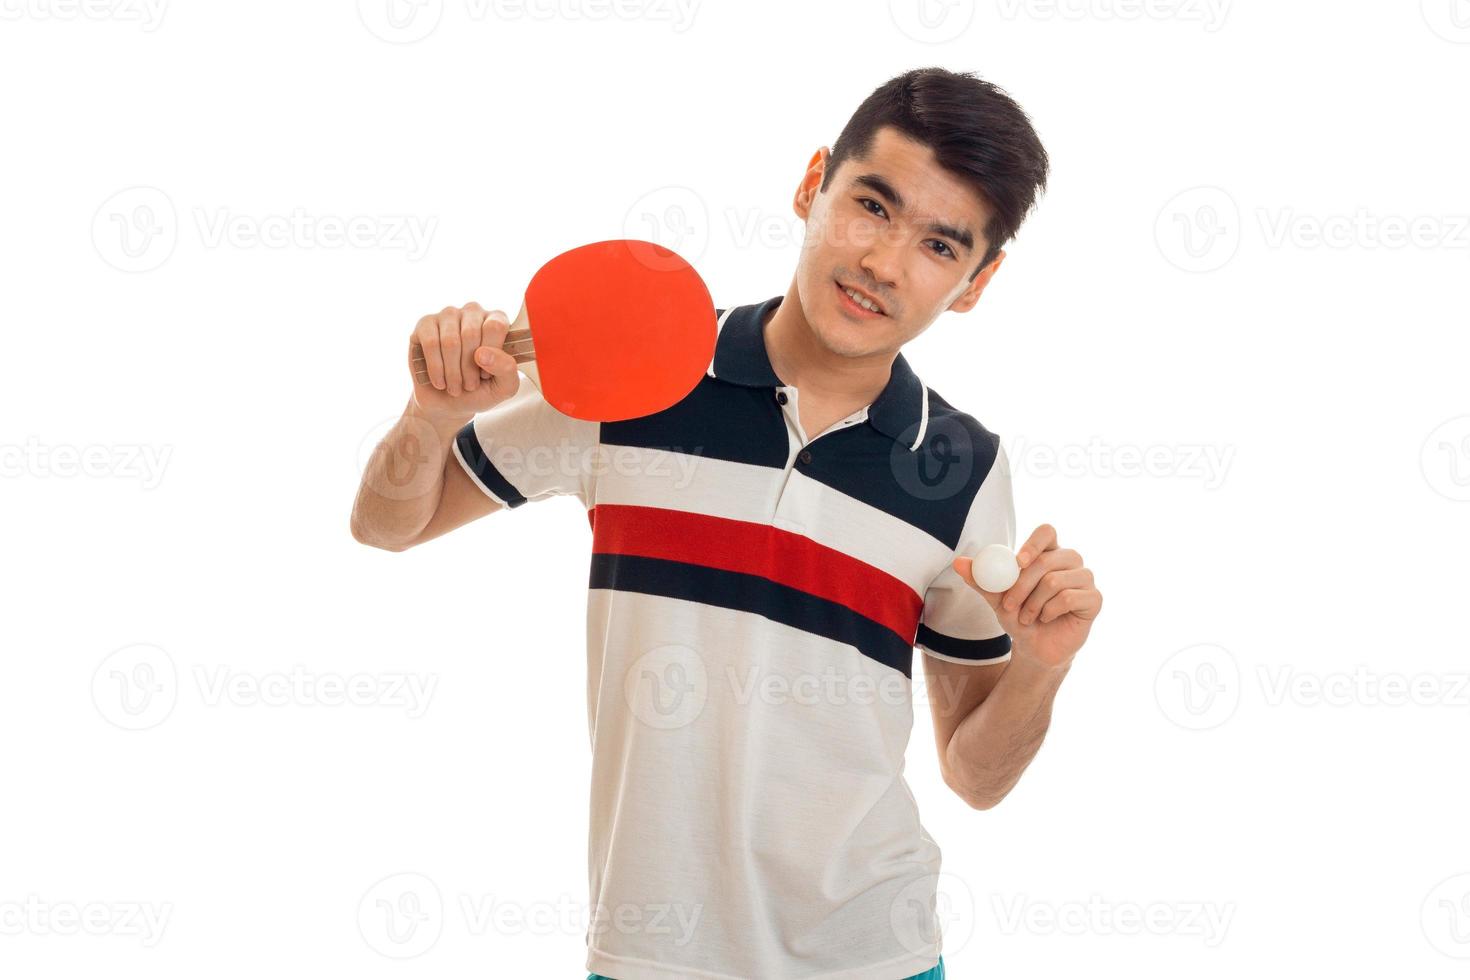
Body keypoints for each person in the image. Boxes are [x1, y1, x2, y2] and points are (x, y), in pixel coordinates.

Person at [351, 66, 1103, 980]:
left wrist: (1041, 666)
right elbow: (389, 525)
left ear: (977, 283)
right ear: (811, 185)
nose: (884, 262)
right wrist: (430, 415)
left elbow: (977, 778)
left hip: (878, 958)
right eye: (872, 205)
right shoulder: (636, 380)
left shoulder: (966, 469)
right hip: (648, 955)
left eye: (940, 247)